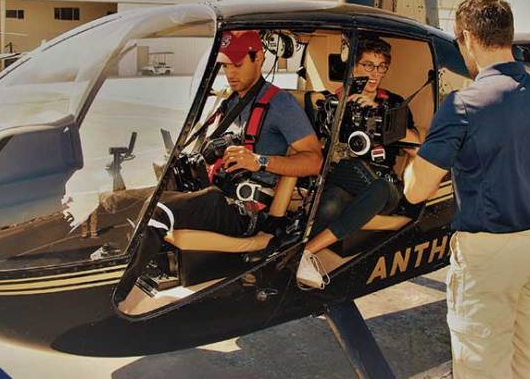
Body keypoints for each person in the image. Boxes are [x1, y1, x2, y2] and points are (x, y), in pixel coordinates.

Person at [403, 0, 530, 379]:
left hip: (488, 258)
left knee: (482, 368)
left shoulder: (462, 106)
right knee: (527, 361)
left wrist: (412, 158)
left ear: (467, 38)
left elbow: (416, 192)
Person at [116, 30, 322, 301]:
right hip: (211, 192)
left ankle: (114, 299)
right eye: (226, 66)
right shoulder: (231, 100)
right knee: (118, 202)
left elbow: (314, 161)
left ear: (258, 58)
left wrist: (259, 161)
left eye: (237, 65)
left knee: (157, 212)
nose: (230, 73)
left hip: (241, 210)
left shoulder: (280, 104)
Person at [296, 36, 420, 289]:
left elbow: (416, 145)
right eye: (367, 65)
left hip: (383, 187)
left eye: (380, 66)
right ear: (353, 67)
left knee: (380, 187)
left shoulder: (394, 103)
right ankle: (297, 257)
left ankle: (304, 252)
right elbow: (316, 149)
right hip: (343, 178)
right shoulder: (333, 101)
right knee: (330, 203)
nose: (374, 73)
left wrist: (377, 113)